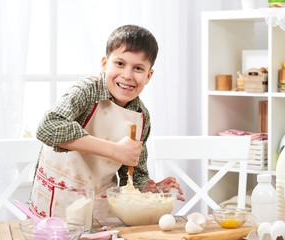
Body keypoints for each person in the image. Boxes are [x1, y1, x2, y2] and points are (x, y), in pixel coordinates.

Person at [29, 24, 184, 219]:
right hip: (57, 201)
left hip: (100, 209)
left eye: (138, 68)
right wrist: (115, 150)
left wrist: (150, 188)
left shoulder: (141, 116)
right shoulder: (87, 91)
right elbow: (48, 127)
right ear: (104, 64)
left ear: (148, 76)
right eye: (120, 63)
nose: (127, 75)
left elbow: (134, 177)